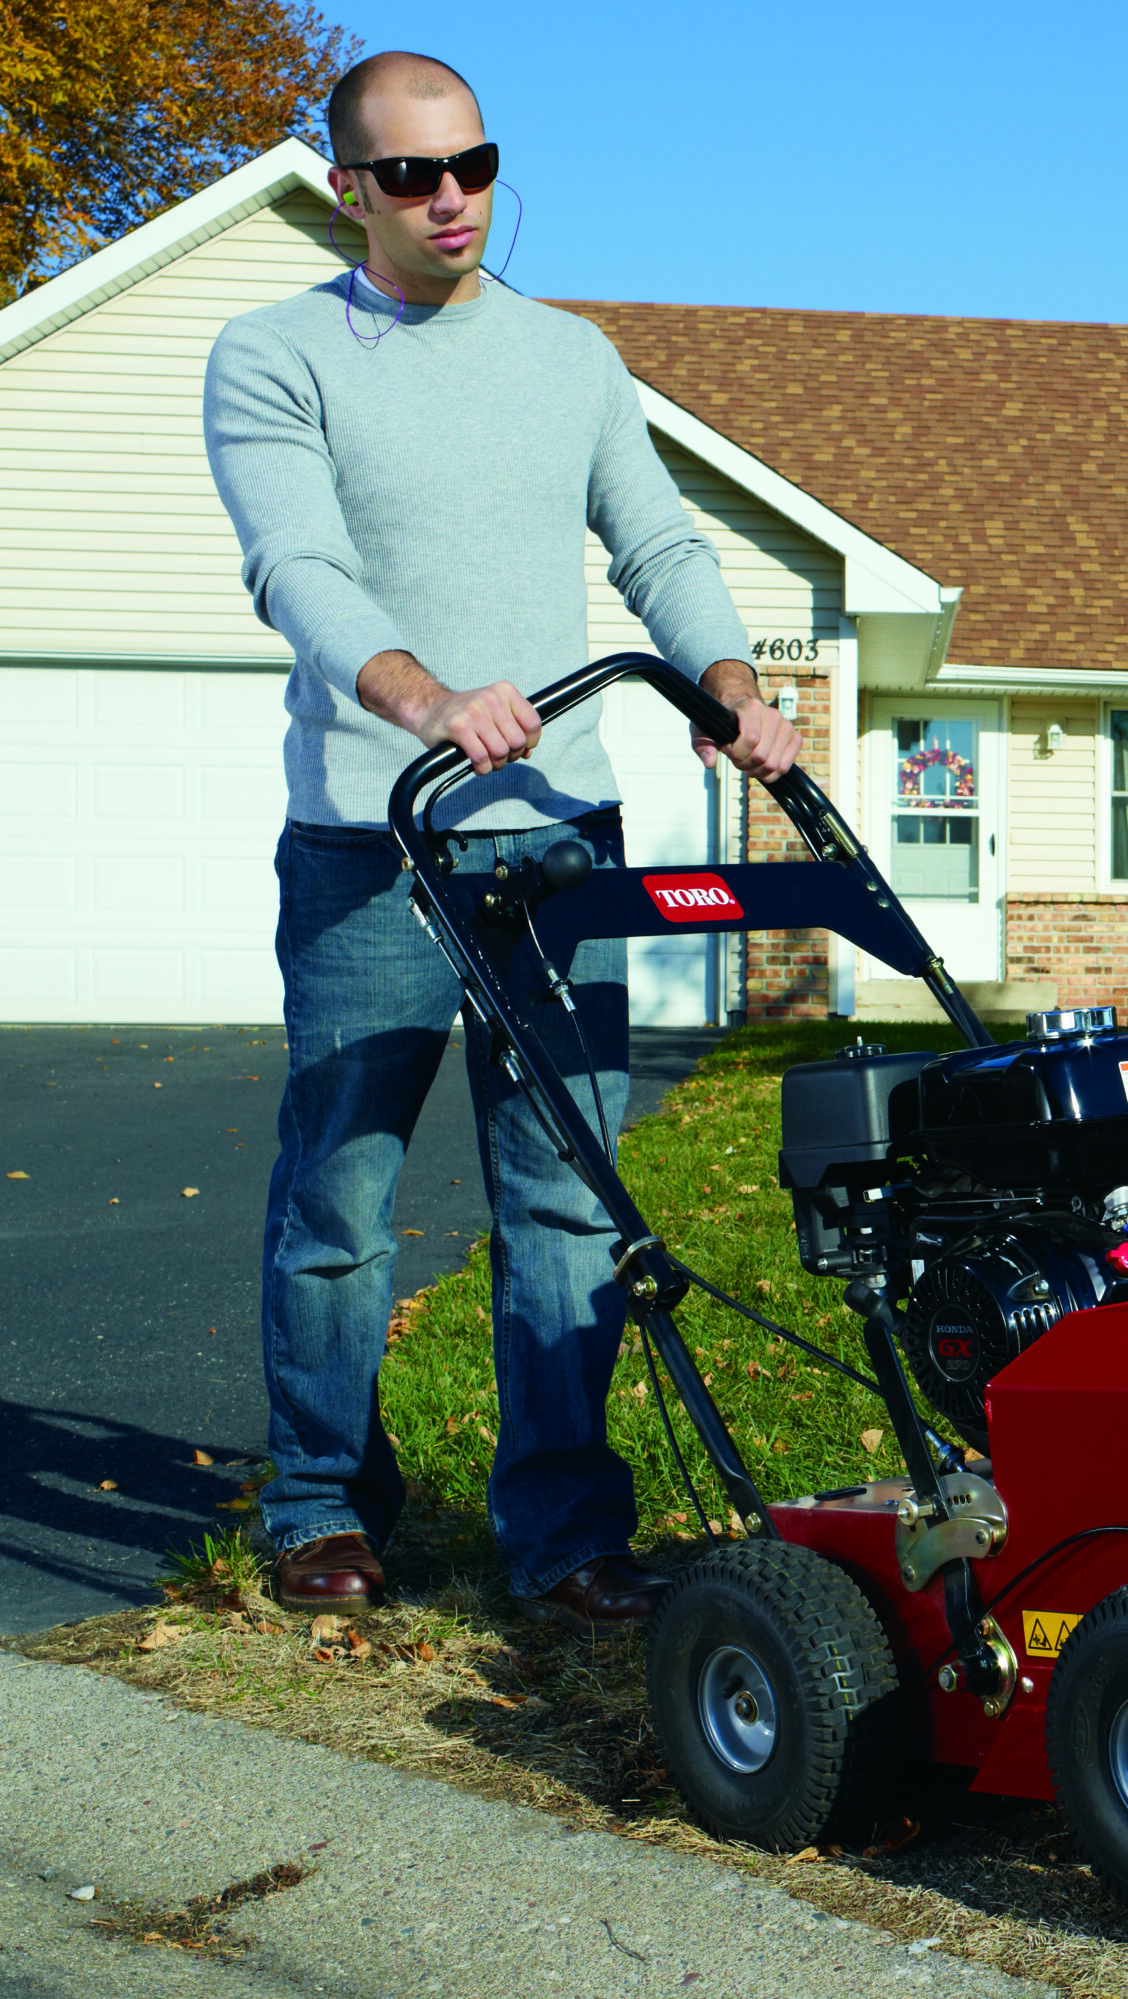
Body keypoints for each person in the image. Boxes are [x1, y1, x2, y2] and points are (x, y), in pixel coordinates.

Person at [203, 50, 800, 1630]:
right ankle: (324, 1501)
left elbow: (658, 535)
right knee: (341, 1191)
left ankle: (564, 1533)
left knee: (563, 1198)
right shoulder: (276, 356)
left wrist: (725, 685)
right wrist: (423, 695)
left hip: (556, 839)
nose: (451, 196)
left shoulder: (571, 357)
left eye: (470, 163)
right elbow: (301, 567)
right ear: (352, 192)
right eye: (410, 175)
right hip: (372, 840)